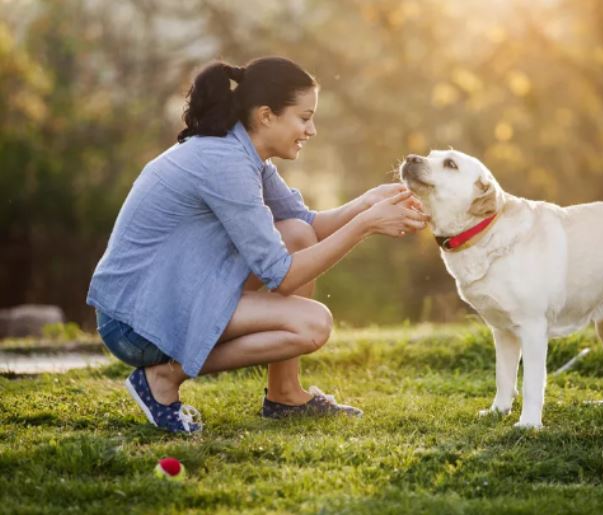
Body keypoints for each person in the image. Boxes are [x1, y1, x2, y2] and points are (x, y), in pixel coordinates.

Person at [86, 56, 429, 433]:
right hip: (136, 324)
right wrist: (365, 225)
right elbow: (280, 276)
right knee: (312, 325)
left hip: (173, 297)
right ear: (267, 115)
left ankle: (285, 396)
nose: (311, 129)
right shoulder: (224, 163)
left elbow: (309, 226)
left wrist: (366, 203)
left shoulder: (244, 155)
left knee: (298, 234)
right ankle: (163, 378)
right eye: (304, 117)